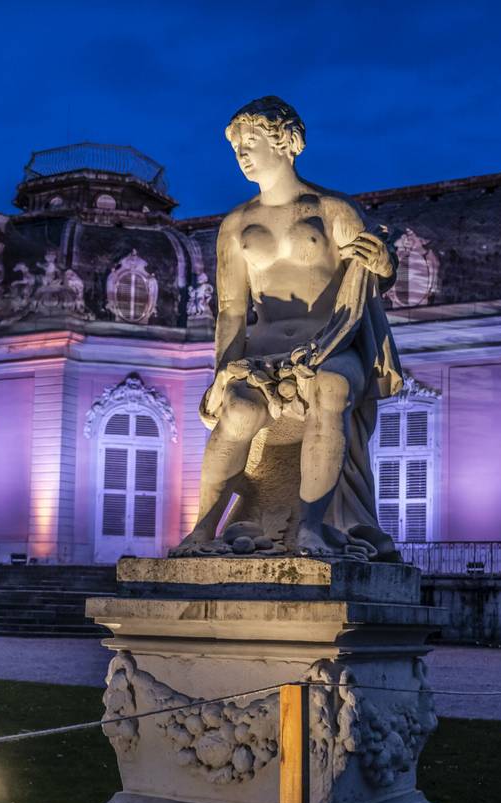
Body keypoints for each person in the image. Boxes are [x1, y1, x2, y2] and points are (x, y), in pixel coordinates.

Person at [172, 96, 403, 559]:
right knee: (237, 411)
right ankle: (202, 531)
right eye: (237, 144)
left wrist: (385, 263)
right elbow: (233, 311)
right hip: (260, 356)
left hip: (332, 346)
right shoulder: (236, 225)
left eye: (251, 140)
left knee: (330, 389)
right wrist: (225, 372)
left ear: (286, 142)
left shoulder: (333, 210)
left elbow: (369, 274)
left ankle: (311, 528)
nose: (242, 152)